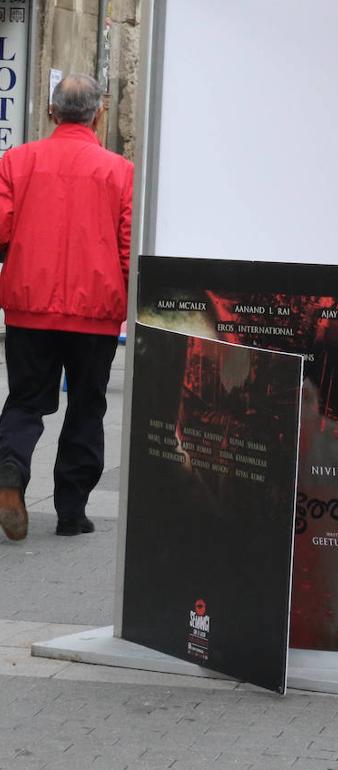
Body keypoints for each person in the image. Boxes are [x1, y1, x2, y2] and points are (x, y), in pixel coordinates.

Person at [0, 74, 132, 542]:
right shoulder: (120, 171)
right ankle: (71, 512)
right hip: (95, 315)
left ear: (52, 112)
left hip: (28, 308)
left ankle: (11, 469)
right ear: (100, 114)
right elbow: (127, 246)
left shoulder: (16, 161)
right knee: (87, 407)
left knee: (25, 401)